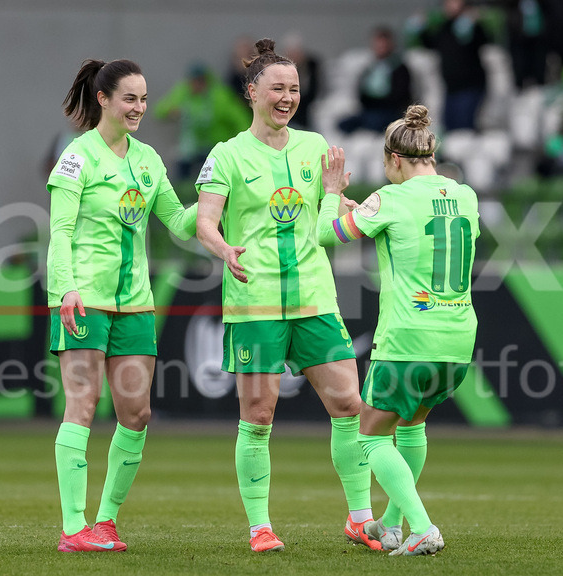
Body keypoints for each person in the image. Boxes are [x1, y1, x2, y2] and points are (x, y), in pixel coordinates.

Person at [195, 38, 380, 554]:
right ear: (251, 92)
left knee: (350, 405)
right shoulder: (227, 155)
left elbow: (332, 218)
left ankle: (360, 518)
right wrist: (224, 248)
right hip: (255, 302)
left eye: (294, 89)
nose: (287, 97)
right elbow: (205, 221)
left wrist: (346, 196)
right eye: (277, 87)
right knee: (258, 414)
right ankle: (260, 526)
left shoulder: (316, 147)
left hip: (316, 298)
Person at [45, 58, 198, 552]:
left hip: (135, 304)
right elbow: (61, 231)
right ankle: (73, 528)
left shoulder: (149, 159)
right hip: (82, 298)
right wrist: (66, 287)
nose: (140, 107)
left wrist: (222, 198)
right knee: (83, 405)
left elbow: (178, 221)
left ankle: (105, 522)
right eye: (130, 98)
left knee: (136, 413)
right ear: (104, 99)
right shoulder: (76, 156)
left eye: (145, 98)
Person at [315, 104, 479, 556]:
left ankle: (422, 527)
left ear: (393, 159)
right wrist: (365, 210)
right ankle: (390, 524)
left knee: (369, 435)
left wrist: (333, 194)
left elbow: (326, 234)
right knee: (410, 426)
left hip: (409, 336)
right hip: (458, 336)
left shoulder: (389, 198)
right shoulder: (465, 195)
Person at [155, 62, 250, 181]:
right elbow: (159, 111)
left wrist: (244, 142)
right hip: (192, 146)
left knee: (212, 176)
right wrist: (171, 111)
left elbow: (240, 119)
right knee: (181, 167)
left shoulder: (220, 96)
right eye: (194, 81)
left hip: (215, 145)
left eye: (200, 81)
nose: (197, 85)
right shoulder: (184, 93)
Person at [418, 0, 489, 131]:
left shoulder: (471, 25)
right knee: (450, 127)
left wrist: (474, 25)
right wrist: (422, 28)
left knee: (464, 128)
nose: (448, 6)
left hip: (470, 86)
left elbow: (484, 40)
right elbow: (431, 43)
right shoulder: (446, 27)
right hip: (451, 88)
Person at [339, 27, 414, 134]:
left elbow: (400, 96)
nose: (380, 48)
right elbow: (362, 93)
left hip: (390, 111)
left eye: (383, 45)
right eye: (377, 45)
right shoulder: (369, 68)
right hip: (369, 111)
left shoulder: (400, 68)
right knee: (344, 124)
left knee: (376, 122)